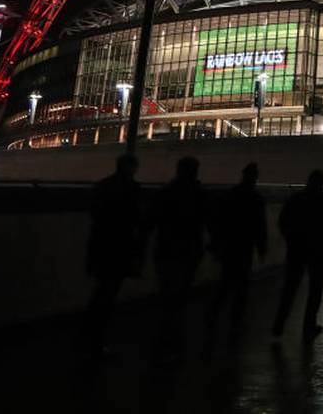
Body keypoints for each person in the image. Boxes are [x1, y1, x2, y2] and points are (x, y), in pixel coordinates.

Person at [272, 170, 323, 342]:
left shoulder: (296, 199)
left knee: (290, 287)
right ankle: (309, 325)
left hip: (296, 249)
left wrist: (290, 238)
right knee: (315, 289)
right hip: (316, 250)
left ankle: (279, 323)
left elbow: (282, 221)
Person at [147, 156, 207, 361]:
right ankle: (173, 340)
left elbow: (150, 220)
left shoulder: (166, 192)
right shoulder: (198, 194)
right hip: (188, 251)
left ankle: (164, 339)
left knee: (168, 294)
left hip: (166, 250)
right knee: (180, 296)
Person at [84, 154, 143, 358]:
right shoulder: (133, 189)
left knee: (102, 290)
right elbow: (137, 218)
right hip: (120, 246)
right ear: (131, 168)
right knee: (109, 291)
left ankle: (91, 334)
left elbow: (95, 213)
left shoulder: (102, 186)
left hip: (102, 244)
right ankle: (97, 337)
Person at [206, 162, 267, 339]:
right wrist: (261, 247)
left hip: (230, 246)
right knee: (241, 288)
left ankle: (213, 316)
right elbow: (260, 226)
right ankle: (235, 322)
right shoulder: (255, 199)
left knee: (224, 284)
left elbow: (218, 220)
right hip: (244, 248)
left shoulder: (230, 195)